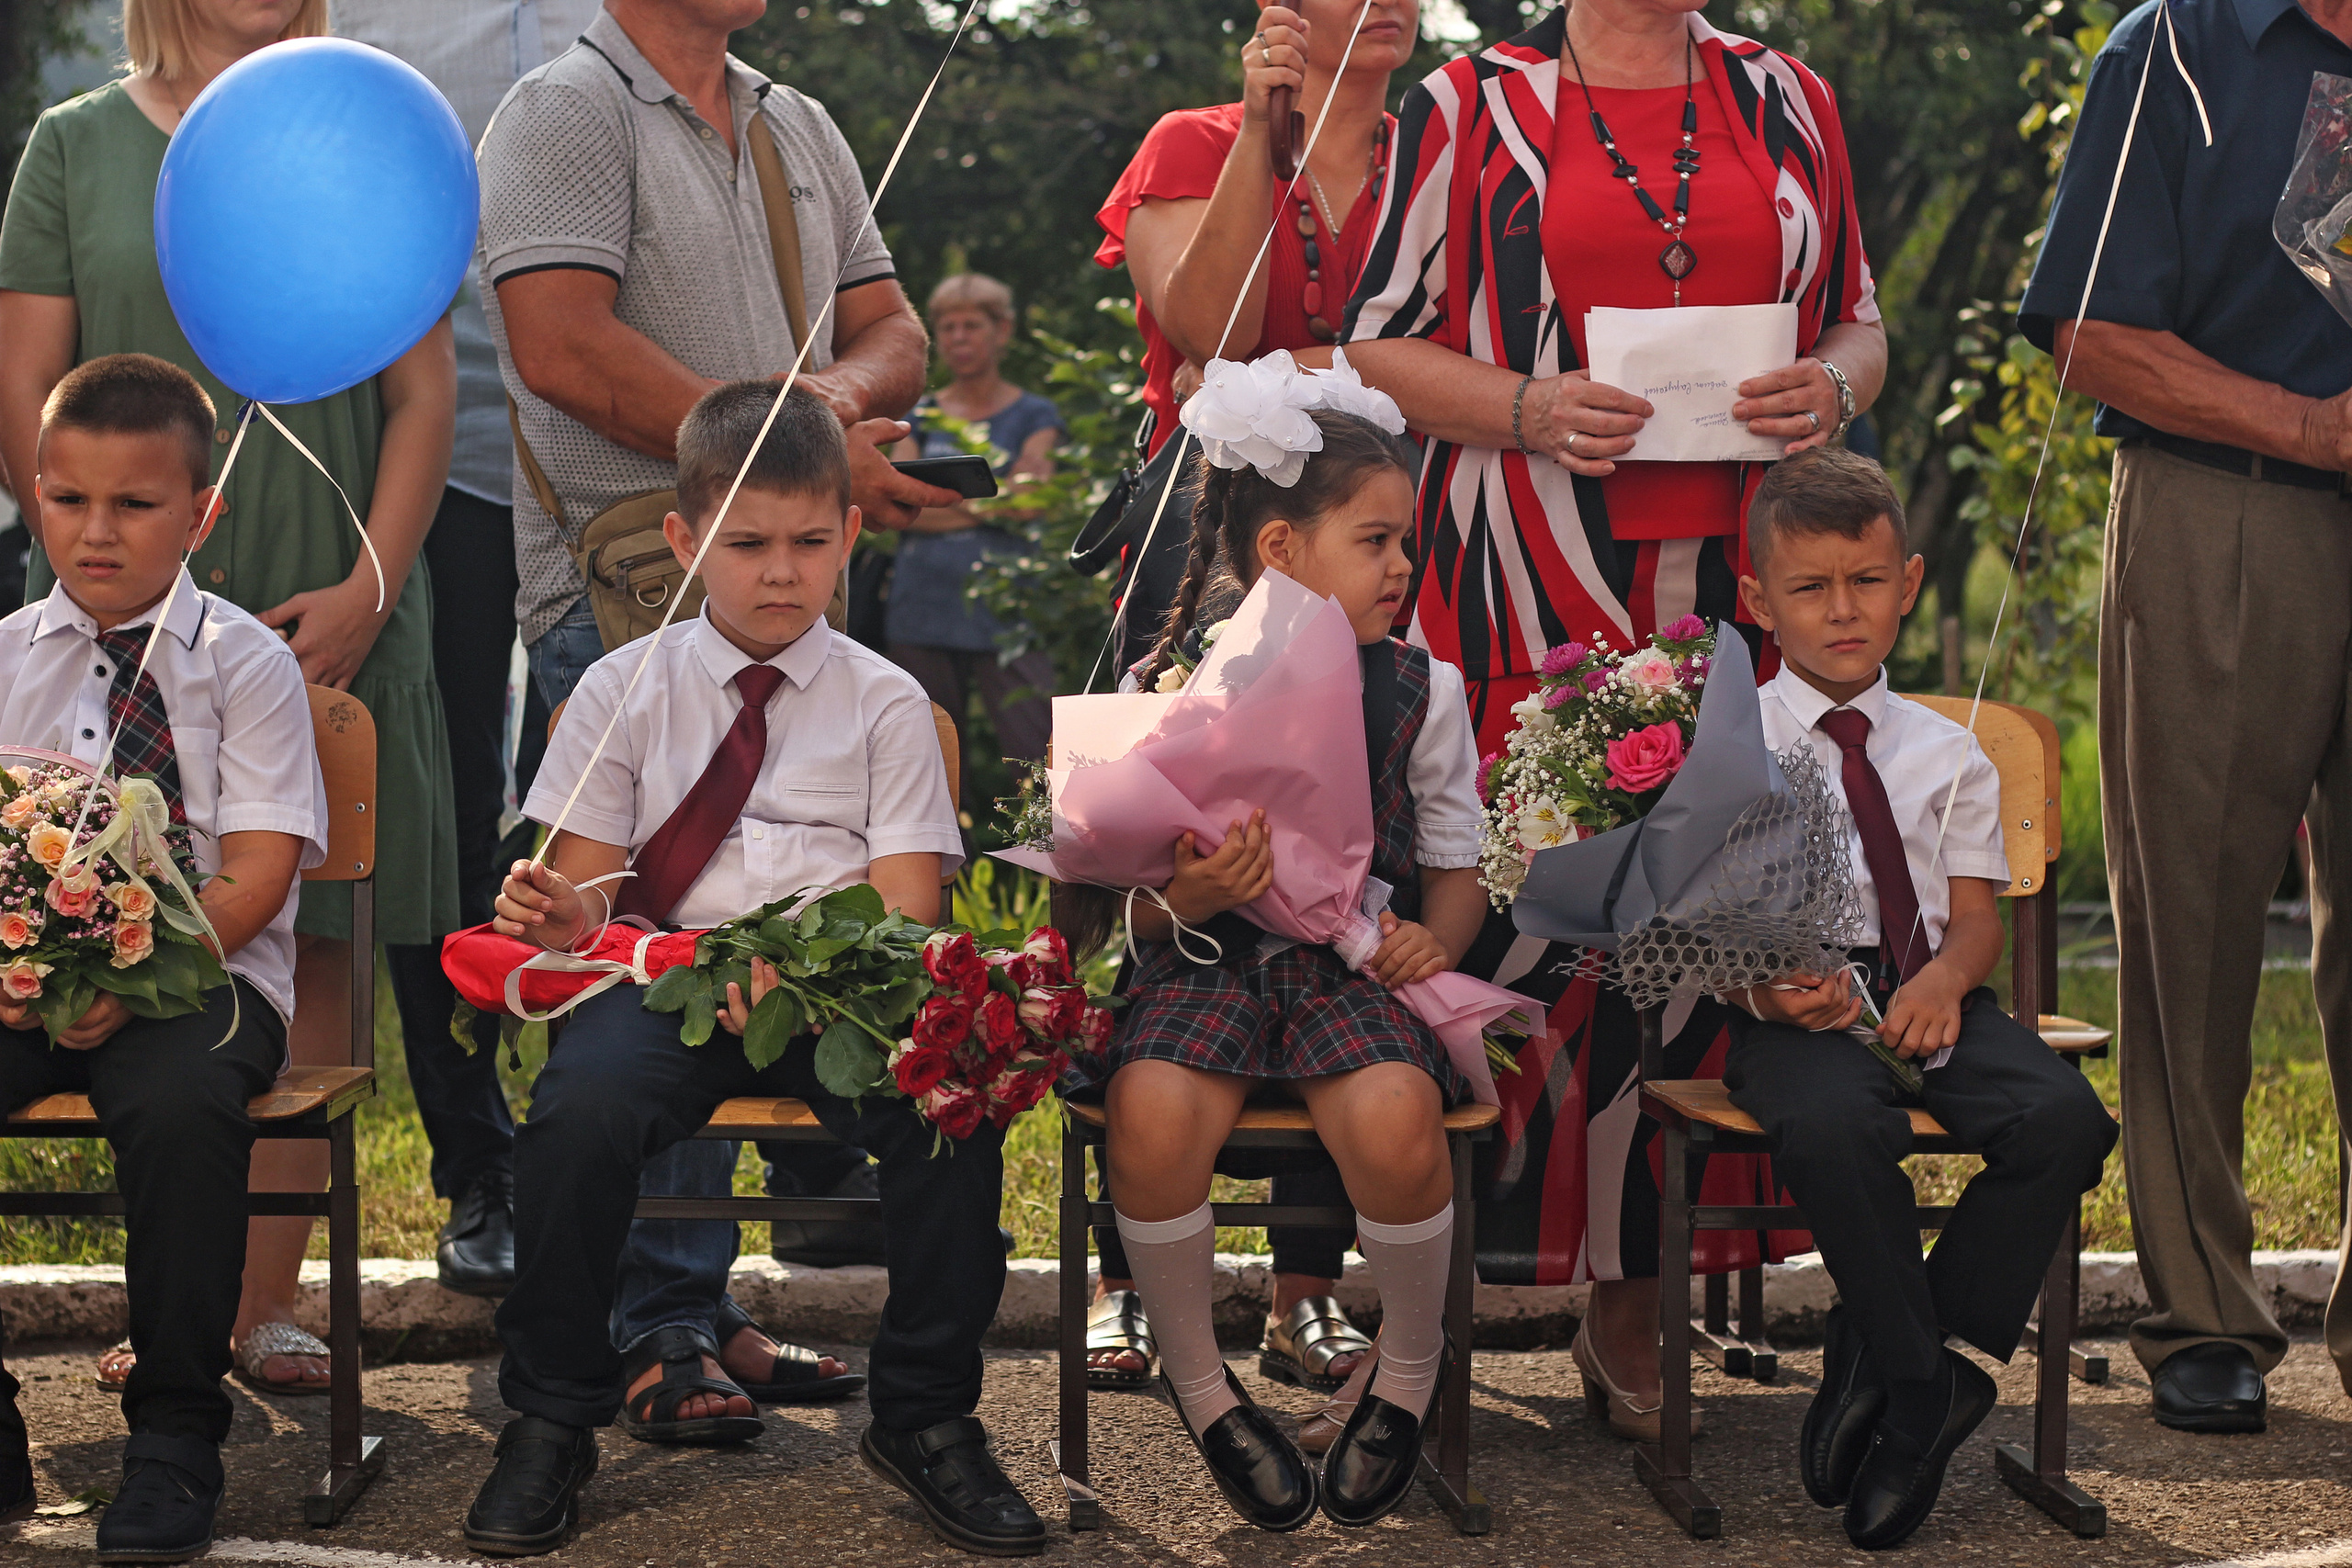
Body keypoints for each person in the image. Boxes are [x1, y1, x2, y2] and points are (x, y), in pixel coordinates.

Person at [1341, 0, 1883, 1438]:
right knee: (1517, 924)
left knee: (1707, 929)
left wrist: (1830, 383)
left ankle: (1634, 1298)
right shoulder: (1469, 102)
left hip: (1735, 585)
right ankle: (1432, 1312)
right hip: (1523, 577)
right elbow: (1377, 346)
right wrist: (1522, 403)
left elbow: (1862, 321)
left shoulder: (1788, 96)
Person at [475, 0, 957, 1410]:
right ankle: (656, 1329)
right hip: (634, 590)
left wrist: (832, 412)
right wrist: (780, 457)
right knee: (647, 931)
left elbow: (896, 330)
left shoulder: (795, 117)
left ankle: (685, 1308)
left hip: (785, 580)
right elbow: (560, 346)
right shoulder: (567, 108)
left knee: (774, 918)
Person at [463, 381, 1041, 1559]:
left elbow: (906, 916)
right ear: (685, 543)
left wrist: (802, 974)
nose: (781, 572)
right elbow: (593, 893)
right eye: (748, 544)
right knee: (576, 1113)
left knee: (953, 1112)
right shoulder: (620, 692)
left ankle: (928, 1418)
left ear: (849, 536)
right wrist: (562, 910)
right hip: (659, 984)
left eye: (809, 543)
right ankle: (552, 1416)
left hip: (839, 992)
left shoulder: (885, 704)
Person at [0, 0, 458, 1396]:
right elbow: (25, 389)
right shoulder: (71, 148)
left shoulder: (370, 115)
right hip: (120, 555)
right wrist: (104, 539)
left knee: (305, 934)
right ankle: (187, 1297)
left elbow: (422, 391)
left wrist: (369, 587)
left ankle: (255, 1308)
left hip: (333, 576)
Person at [2018, 0, 2352, 1435]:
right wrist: (2315, 427)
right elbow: (2087, 329)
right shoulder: (2173, 45)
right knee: (2198, 909)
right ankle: (2206, 1309)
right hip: (2228, 502)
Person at [1088, 0, 1421, 1418]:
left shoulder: (1451, 149)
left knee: (1338, 888)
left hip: (1377, 536)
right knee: (1164, 880)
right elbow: (1199, 326)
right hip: (1213, 540)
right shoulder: (1197, 139)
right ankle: (1127, 1274)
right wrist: (1265, 138)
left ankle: (1305, 1292)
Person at [1075, 378, 1483, 1533]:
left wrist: (1427, 941)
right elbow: (1129, 900)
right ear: (1279, 550)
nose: (1402, 565)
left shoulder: (1421, 686)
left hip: (1347, 969)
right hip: (1204, 956)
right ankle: (1204, 1393)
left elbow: (1456, 872)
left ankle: (1405, 1378)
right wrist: (1189, 891)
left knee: (1398, 1119)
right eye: (1375, 541)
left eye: (1404, 541)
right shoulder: (1181, 683)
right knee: (1152, 1118)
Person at [1724, 448, 2115, 1549]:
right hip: (1787, 999)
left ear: (1908, 581)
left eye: (1866, 581)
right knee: (1837, 1122)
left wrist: (1947, 981)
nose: (1841, 610)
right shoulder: (1730, 742)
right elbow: (1696, 925)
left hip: (1928, 989)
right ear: (1759, 601)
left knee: (2064, 1119)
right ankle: (1923, 1390)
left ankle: (1899, 1360)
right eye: (1809, 587)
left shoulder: (1951, 754)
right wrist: (1763, 992)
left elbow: (1976, 922)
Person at [0, 354, 328, 1562]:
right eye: (68, 498)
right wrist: (36, 969)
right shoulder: (4, 656)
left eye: (135, 504)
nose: (95, 532)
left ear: (201, 512)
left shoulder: (245, 662)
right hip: (26, 977)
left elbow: (256, 870)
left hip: (207, 980)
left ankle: (176, 1435)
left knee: (186, 1100)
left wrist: (121, 970)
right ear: (35, 490)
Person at [332, 0, 606, 1304]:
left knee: (598, 816)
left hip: (611, 473)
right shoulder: (366, 19)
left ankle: (605, 1144)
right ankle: (475, 1156)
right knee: (438, 818)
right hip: (431, 474)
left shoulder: (633, 18)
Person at [885, 273, 1063, 806]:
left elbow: (1033, 501)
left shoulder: (1035, 414)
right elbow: (901, 508)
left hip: (1009, 609)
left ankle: (1055, 879)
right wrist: (994, 505)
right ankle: (932, 884)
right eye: (948, 328)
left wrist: (939, 500)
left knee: (1037, 762)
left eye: (972, 326)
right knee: (926, 765)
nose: (960, 338)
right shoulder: (917, 415)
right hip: (921, 608)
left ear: (1002, 330)